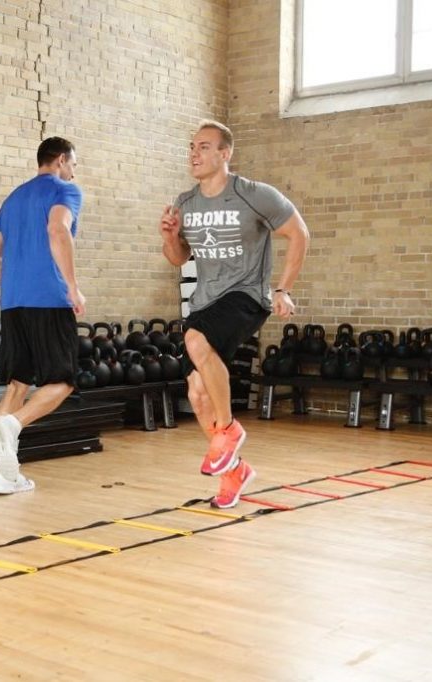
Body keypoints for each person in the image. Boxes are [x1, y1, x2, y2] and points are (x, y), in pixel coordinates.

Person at [160, 120, 309, 509]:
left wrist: (283, 289)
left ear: (225, 154)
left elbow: (299, 234)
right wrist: (169, 236)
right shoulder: (186, 203)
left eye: (205, 147)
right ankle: (234, 471)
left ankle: (227, 432)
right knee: (196, 391)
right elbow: (180, 259)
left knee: (195, 339)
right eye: (192, 146)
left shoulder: (253, 194)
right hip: (206, 300)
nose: (195, 153)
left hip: (246, 296)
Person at [0, 137, 84, 495]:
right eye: (72, 164)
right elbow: (57, 230)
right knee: (62, 381)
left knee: (18, 382)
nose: (73, 171)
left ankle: (5, 476)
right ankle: (13, 424)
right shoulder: (65, 191)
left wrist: (15, 282)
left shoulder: (12, 199)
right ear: (59, 160)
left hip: (12, 302)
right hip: (49, 300)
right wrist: (72, 286)